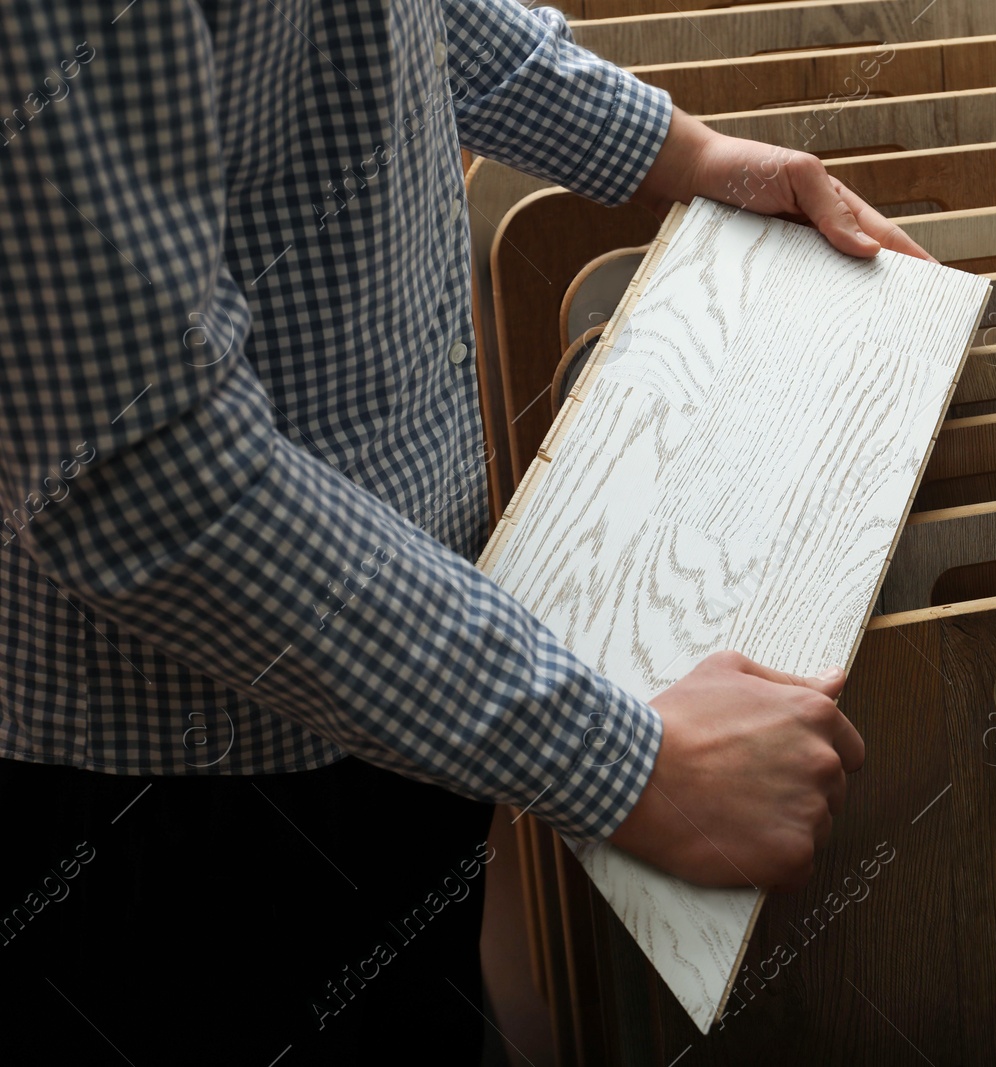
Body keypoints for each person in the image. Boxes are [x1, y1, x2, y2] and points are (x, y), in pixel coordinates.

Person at [0, 1, 926, 1062]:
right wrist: (625, 764)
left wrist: (691, 152)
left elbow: (410, 21)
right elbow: (137, 471)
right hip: (178, 791)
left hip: (398, 679)